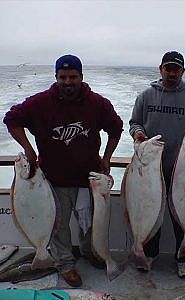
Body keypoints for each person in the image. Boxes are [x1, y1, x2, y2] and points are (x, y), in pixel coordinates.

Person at [3, 54, 123, 287]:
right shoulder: (39, 103)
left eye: (73, 76)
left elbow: (116, 129)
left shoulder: (98, 104)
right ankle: (65, 264)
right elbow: (11, 119)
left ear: (81, 77)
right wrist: (28, 149)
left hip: (89, 179)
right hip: (54, 179)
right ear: (56, 77)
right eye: (63, 77)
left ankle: (92, 253)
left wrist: (106, 159)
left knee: (91, 225)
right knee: (58, 227)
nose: (68, 81)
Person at [129, 51, 185, 278]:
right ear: (160, 69)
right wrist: (138, 134)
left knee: (182, 216)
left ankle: (183, 257)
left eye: (176, 69)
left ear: (183, 71)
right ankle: (149, 253)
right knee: (152, 213)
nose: (172, 72)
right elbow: (135, 123)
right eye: (168, 68)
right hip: (151, 171)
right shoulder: (145, 96)